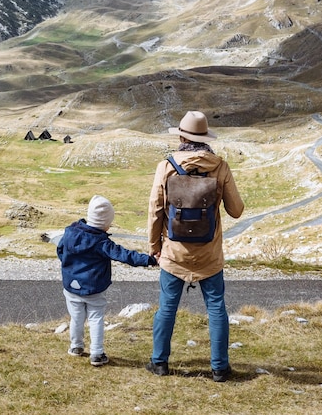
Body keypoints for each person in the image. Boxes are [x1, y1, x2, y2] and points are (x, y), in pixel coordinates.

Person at [145, 110, 244, 381]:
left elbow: (155, 211)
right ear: (205, 138)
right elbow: (236, 210)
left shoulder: (166, 166)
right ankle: (220, 368)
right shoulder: (220, 166)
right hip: (210, 254)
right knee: (216, 309)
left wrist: (155, 245)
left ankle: (159, 362)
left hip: (174, 254)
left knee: (167, 308)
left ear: (181, 136)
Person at [57, 194, 157, 366]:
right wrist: (149, 260)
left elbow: (60, 251)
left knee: (76, 317)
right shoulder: (102, 242)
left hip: (71, 286)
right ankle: (96, 354)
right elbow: (124, 255)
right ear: (105, 223)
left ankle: (76, 347)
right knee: (95, 318)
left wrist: (69, 267)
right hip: (93, 287)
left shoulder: (70, 232)